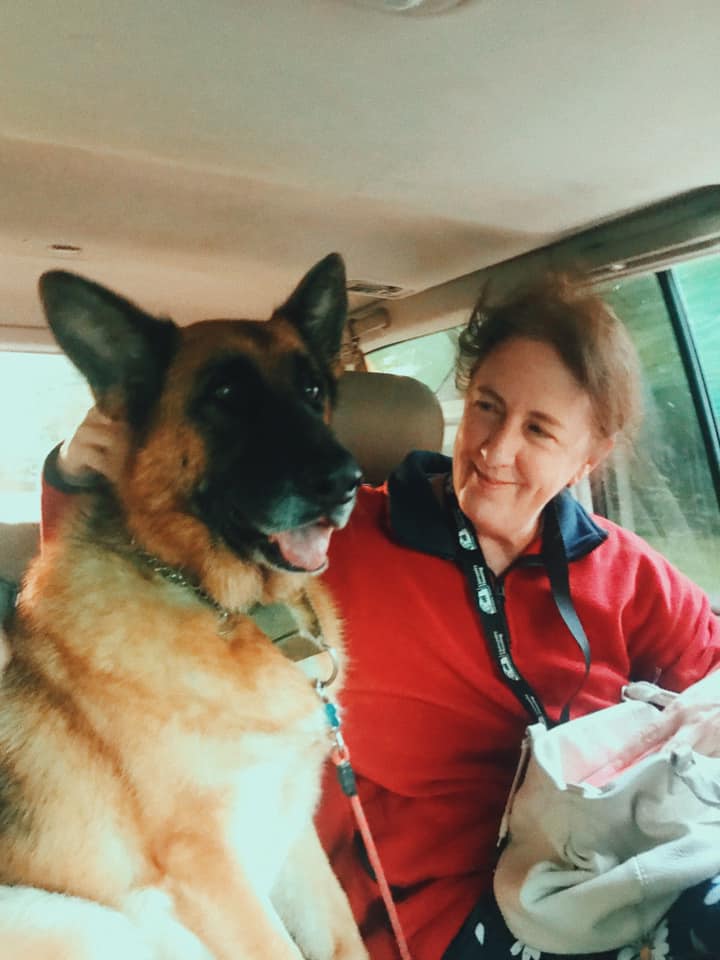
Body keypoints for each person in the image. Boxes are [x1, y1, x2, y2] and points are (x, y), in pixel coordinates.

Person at [38, 275, 720, 960]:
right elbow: (132, 592)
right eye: (486, 407)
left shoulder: (629, 573)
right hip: (440, 920)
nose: (495, 449)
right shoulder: (329, 541)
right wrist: (74, 475)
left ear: (589, 459)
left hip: (613, 868)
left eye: (538, 430)